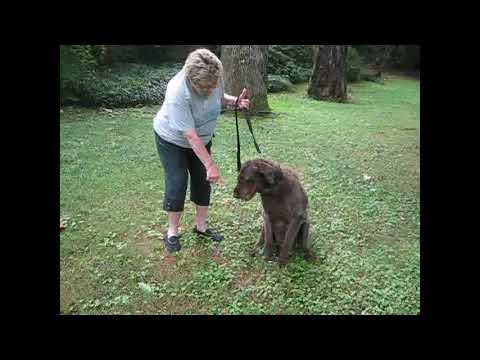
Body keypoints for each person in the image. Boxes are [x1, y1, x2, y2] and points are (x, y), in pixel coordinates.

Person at [153, 48, 250, 252]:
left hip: (202, 139)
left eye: (212, 86)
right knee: (177, 181)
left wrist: (236, 102)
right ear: (191, 78)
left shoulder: (214, 76)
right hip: (172, 141)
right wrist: (211, 165)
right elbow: (190, 136)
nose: (209, 90)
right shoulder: (177, 91)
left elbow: (219, 96)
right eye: (203, 88)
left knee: (203, 181)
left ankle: (201, 226)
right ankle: (172, 231)